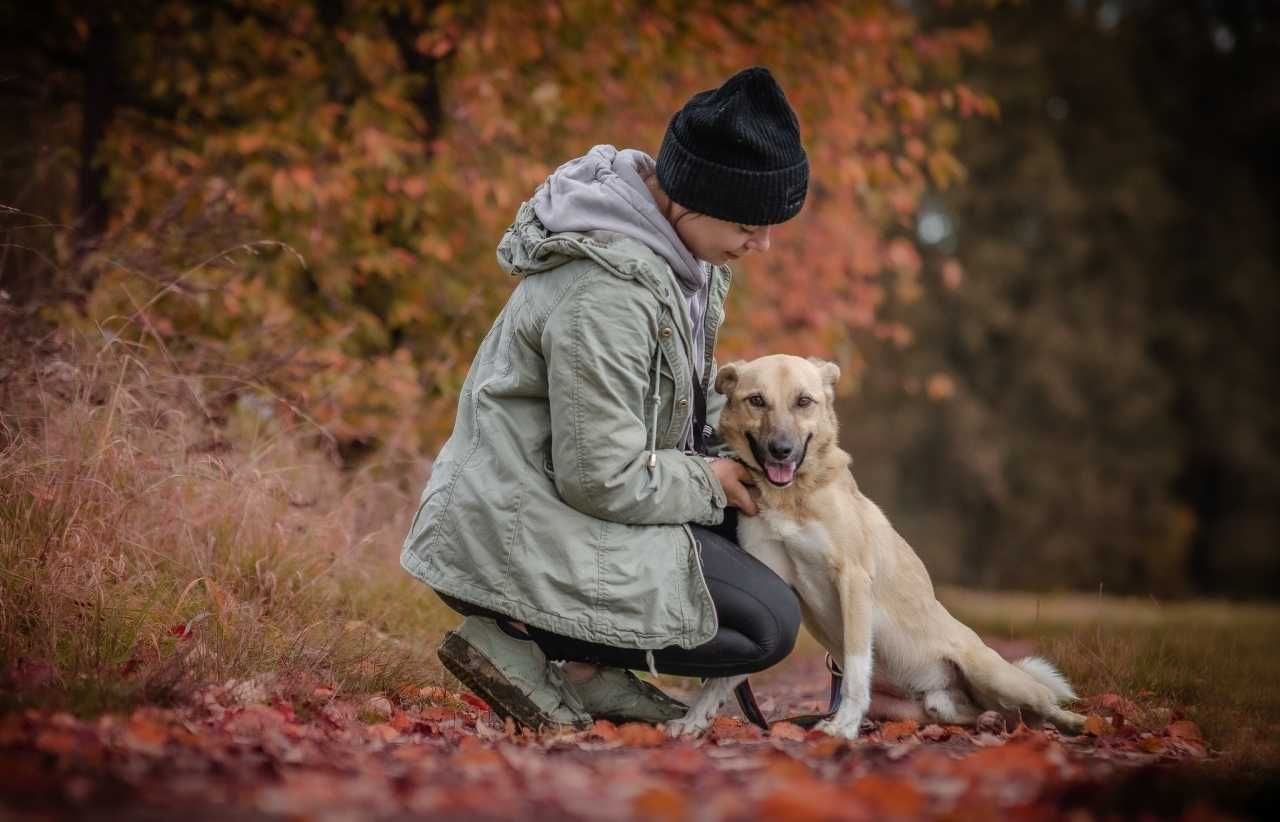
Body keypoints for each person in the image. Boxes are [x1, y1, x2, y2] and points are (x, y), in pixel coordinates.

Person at [400, 66, 809, 731]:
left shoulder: (680, 262)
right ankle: (514, 636)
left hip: (555, 509)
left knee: (770, 540)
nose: (763, 242)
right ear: (693, 195)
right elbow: (602, 477)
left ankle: (587, 675)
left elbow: (656, 410)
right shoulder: (607, 294)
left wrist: (752, 436)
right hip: (513, 532)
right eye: (750, 221)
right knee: (766, 624)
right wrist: (710, 482)